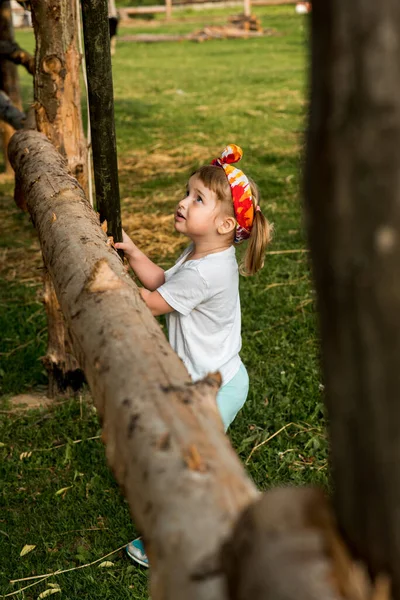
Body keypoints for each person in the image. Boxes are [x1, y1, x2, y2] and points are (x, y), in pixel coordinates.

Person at [115, 144, 273, 568]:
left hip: (216, 388)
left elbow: (150, 302)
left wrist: (108, 278)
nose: (182, 202)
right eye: (187, 193)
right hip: (209, 382)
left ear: (225, 224)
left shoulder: (208, 271)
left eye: (197, 199)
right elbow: (164, 283)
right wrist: (131, 254)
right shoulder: (201, 256)